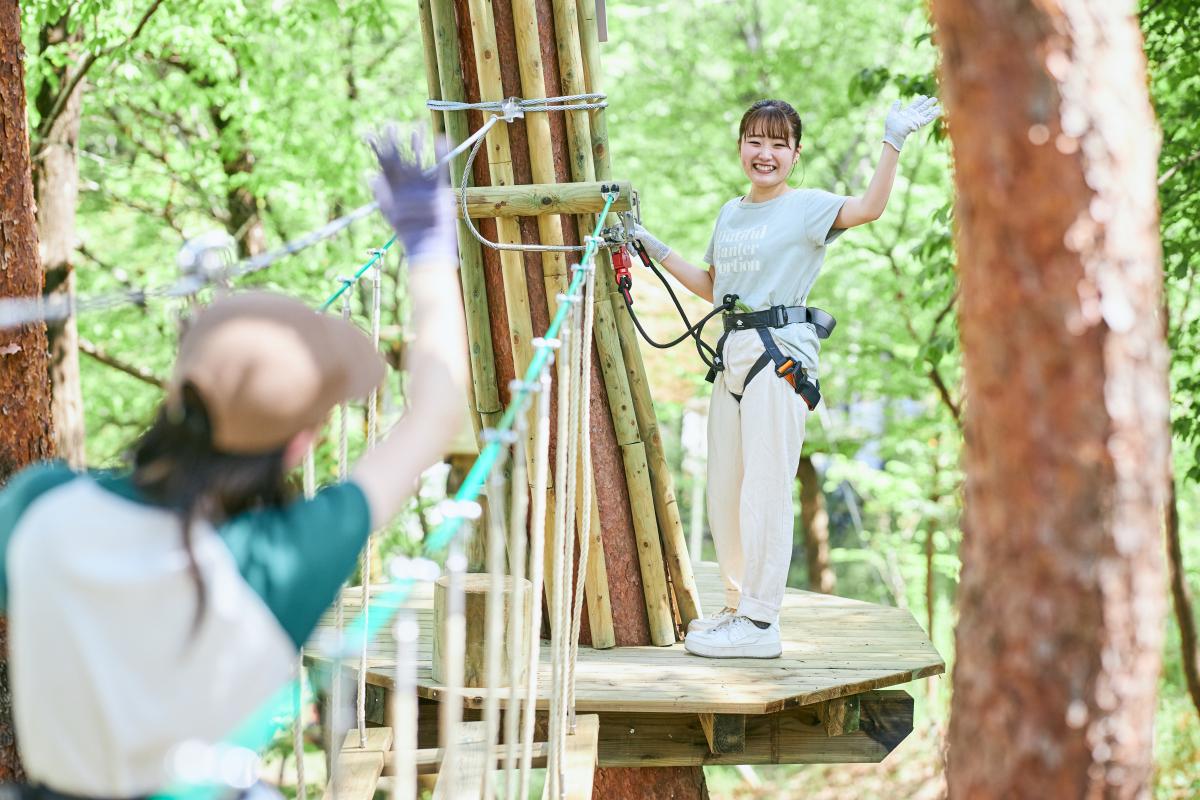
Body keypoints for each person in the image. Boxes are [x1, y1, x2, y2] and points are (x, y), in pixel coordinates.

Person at [0, 131, 468, 796]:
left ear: (174, 393)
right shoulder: (278, 561)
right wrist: (426, 246)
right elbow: (433, 415)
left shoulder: (38, 506)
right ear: (302, 444)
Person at [632, 97, 941, 658]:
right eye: (756, 141)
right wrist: (651, 247)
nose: (765, 153)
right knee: (725, 485)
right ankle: (736, 606)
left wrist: (892, 140)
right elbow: (711, 283)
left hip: (779, 356)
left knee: (766, 487)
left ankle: (760, 621)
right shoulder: (731, 213)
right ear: (741, 147)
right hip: (732, 352)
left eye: (779, 144)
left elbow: (869, 208)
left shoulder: (807, 208)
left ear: (795, 155)